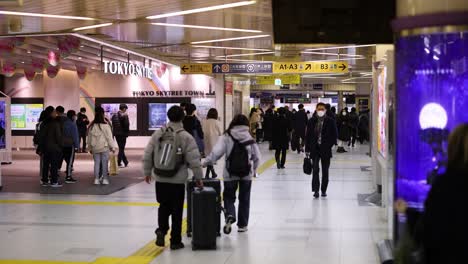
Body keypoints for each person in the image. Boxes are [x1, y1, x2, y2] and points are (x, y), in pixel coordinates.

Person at [143, 106, 203, 250]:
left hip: (161, 178)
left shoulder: (159, 133)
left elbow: (148, 153)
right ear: (182, 118)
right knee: (177, 210)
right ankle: (175, 241)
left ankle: (161, 230)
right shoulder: (186, 136)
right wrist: (198, 177)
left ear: (168, 117)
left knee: (163, 206)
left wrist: (147, 171)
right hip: (177, 180)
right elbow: (194, 159)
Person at [203, 114, 261, 233]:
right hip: (246, 174)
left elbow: (216, 153)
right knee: (245, 199)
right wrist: (254, 170)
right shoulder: (249, 137)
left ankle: (230, 214)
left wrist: (205, 162)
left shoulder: (227, 136)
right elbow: (257, 157)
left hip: (230, 174)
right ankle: (242, 225)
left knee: (229, 197)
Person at [305, 103, 338, 198]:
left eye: (322, 109)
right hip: (314, 149)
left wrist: (330, 145)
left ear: (325, 110)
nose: (320, 111)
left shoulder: (330, 121)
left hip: (326, 149)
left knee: (325, 171)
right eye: (319, 109)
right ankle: (316, 190)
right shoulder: (311, 121)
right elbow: (308, 136)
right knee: (315, 170)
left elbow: (335, 134)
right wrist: (307, 149)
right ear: (316, 109)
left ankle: (323, 190)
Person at [88, 109, 117, 185]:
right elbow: (109, 138)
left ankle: (96, 179)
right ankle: (105, 179)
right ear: (103, 115)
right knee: (105, 164)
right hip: (104, 147)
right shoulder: (106, 126)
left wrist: (90, 148)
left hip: (95, 147)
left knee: (96, 164)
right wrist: (113, 147)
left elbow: (89, 138)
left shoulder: (91, 126)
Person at [37, 106, 63, 187]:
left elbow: (41, 136)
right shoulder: (55, 123)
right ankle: (54, 181)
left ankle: (45, 180)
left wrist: (40, 147)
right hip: (54, 148)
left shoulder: (43, 123)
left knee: (45, 164)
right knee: (54, 165)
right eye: (54, 112)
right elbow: (58, 137)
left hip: (45, 147)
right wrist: (61, 145)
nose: (56, 113)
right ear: (51, 114)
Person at [202, 108, 222, 178]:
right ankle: (211, 174)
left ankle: (209, 174)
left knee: (209, 158)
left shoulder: (204, 122)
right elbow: (220, 133)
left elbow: (202, 131)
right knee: (211, 158)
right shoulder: (216, 122)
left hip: (206, 142)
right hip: (214, 142)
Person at [62, 110, 79, 183]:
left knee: (61, 159)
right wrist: (77, 146)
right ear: (72, 116)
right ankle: (68, 177)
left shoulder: (63, 123)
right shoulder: (72, 124)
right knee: (70, 162)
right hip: (70, 145)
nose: (75, 117)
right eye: (75, 115)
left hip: (62, 144)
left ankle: (54, 175)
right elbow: (75, 136)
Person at [111, 104, 130, 168]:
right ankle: (118, 162)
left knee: (121, 148)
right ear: (124, 108)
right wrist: (127, 133)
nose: (126, 110)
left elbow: (113, 125)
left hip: (116, 134)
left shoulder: (114, 116)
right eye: (126, 109)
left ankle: (125, 161)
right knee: (121, 148)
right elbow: (126, 125)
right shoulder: (125, 115)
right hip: (122, 134)